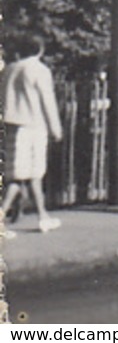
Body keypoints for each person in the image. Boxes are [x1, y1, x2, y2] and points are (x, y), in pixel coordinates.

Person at [1, 34, 64, 235]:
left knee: (22, 173)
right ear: (40, 50)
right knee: (30, 174)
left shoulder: (9, 69)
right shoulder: (39, 70)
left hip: (12, 125)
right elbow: (47, 100)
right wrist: (55, 127)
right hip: (34, 125)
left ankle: (43, 217)